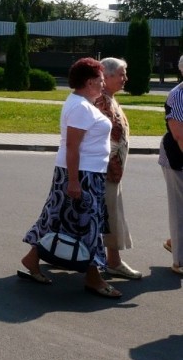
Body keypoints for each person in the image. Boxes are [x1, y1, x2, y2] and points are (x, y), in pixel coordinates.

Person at [20, 58, 120, 298]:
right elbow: (72, 147)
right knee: (88, 224)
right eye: (100, 80)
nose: (103, 84)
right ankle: (94, 278)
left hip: (84, 173)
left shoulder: (82, 103)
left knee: (58, 219)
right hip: (81, 174)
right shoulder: (80, 107)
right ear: (89, 82)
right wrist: (74, 181)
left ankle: (31, 259)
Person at [95, 57, 141, 279]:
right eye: (122, 74)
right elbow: (100, 139)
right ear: (107, 76)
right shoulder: (101, 102)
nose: (126, 78)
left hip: (112, 171)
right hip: (104, 172)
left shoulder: (109, 99)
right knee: (110, 216)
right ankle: (113, 262)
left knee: (109, 215)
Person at [160, 54, 183, 276]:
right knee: (179, 209)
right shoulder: (177, 96)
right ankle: (180, 262)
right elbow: (179, 135)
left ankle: (174, 242)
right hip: (177, 157)